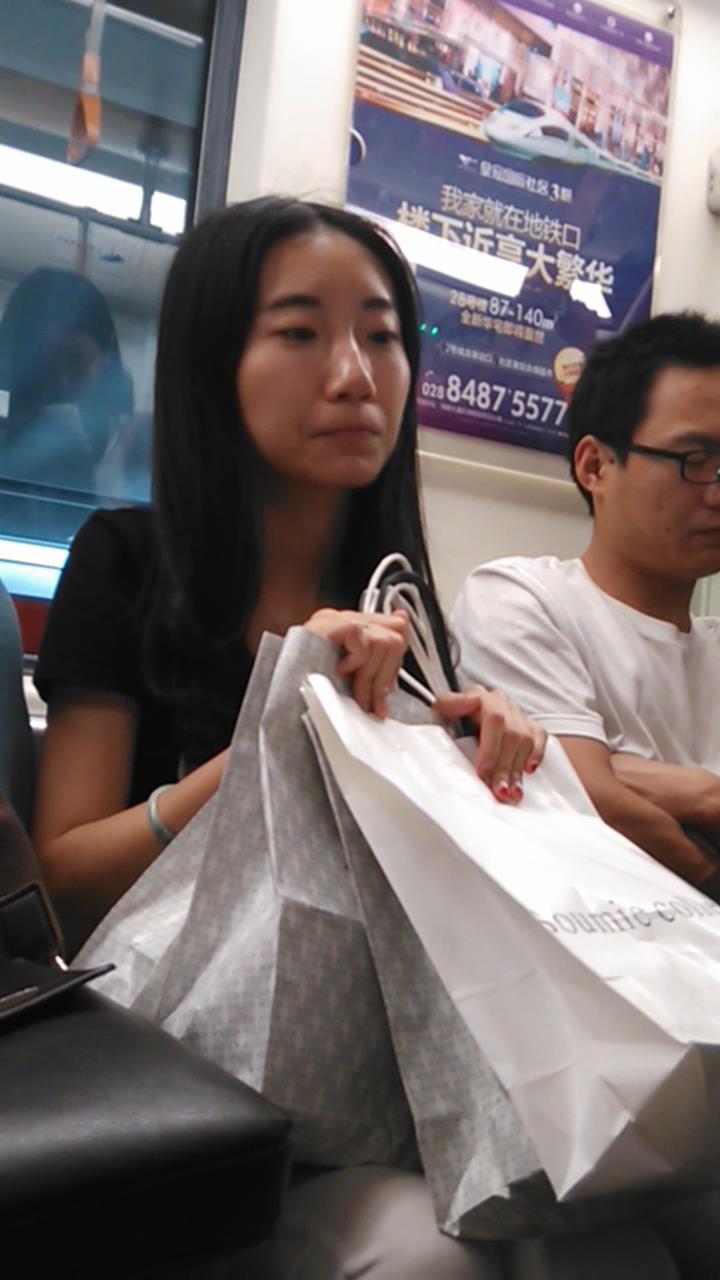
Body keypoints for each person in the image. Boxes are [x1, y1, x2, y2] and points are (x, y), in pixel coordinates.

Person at [28, 198, 676, 1280]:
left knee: (625, 1243)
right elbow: (65, 885)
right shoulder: (125, 562)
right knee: (429, 1258)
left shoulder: (403, 611)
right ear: (213, 364)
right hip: (194, 1083)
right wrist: (276, 726)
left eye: (382, 336)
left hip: (395, 1072)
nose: (354, 374)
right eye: (299, 332)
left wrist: (493, 767)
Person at [452, 311, 720, 900]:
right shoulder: (522, 599)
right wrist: (705, 798)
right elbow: (585, 802)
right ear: (595, 466)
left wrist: (613, 768)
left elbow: (579, 775)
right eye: (696, 462)